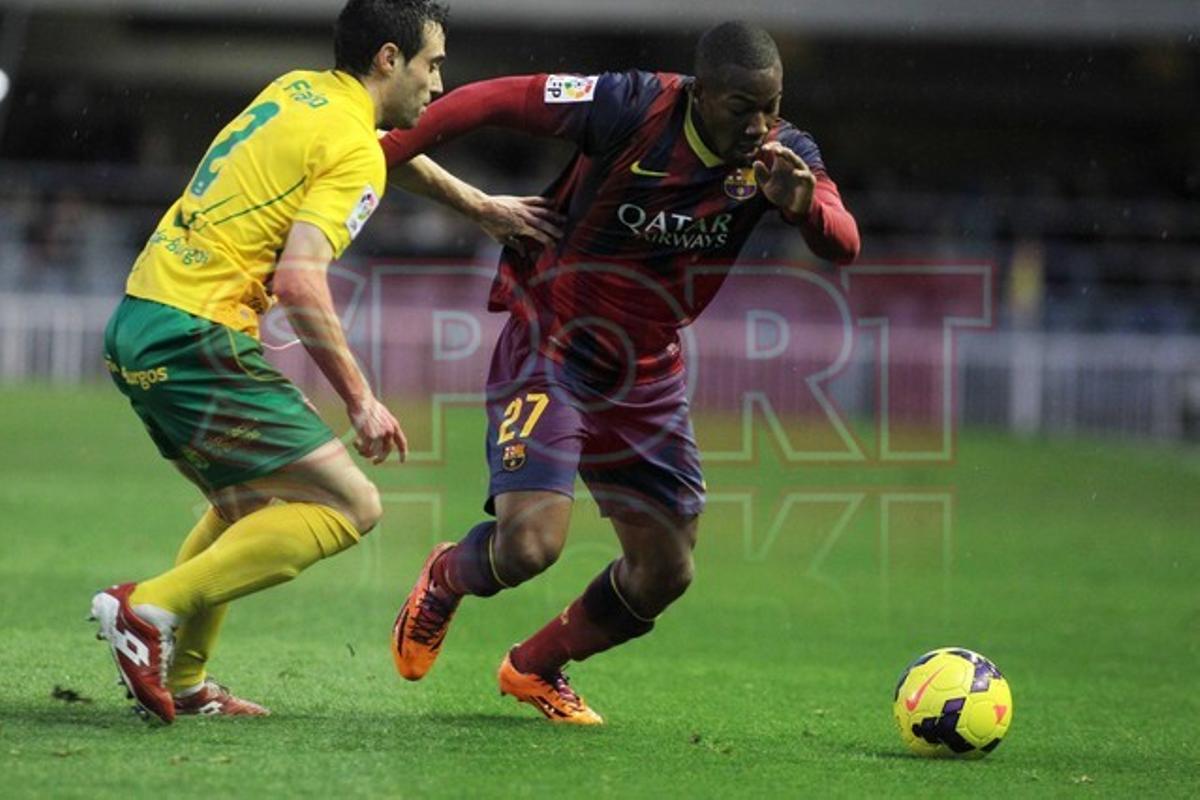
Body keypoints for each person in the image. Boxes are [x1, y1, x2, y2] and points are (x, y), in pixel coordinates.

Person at [383, 21, 861, 724]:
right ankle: (446, 575)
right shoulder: (629, 106)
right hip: (553, 341)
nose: (759, 125)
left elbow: (843, 241)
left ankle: (535, 666)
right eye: (742, 108)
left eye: (771, 106)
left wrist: (806, 210)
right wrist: (388, 148)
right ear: (701, 94)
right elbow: (493, 100)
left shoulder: (784, 157)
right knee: (529, 546)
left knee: (667, 570)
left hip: (646, 371)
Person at [90, 0, 452, 724]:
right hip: (198, 331)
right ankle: (147, 610)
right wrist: (361, 400)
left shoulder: (294, 89)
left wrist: (478, 205)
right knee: (355, 505)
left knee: (243, 505)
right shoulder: (354, 149)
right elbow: (299, 279)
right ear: (389, 58)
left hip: (140, 316)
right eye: (432, 64)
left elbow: (384, 153)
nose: (439, 86)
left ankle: (186, 682)